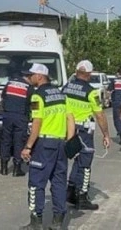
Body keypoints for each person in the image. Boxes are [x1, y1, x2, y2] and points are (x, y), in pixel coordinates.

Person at [20, 63, 74, 230]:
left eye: (31, 75)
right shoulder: (62, 94)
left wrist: (28, 146)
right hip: (60, 143)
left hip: (44, 145)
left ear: (40, 76)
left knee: (36, 183)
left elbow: (37, 122)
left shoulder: (38, 96)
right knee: (59, 182)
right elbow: (70, 119)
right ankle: (58, 221)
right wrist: (69, 141)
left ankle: (35, 222)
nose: (29, 78)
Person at [62, 60, 111, 211]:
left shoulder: (66, 87)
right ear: (89, 74)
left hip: (67, 128)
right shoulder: (91, 92)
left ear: (76, 72)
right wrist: (106, 134)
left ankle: (70, 191)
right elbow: (100, 115)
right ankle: (82, 196)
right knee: (85, 163)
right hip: (83, 131)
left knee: (77, 160)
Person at [0, 70, 34, 177]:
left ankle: (4, 168)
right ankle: (17, 168)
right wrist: (34, 117)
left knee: (6, 140)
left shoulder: (10, 83)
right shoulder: (29, 87)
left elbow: (3, 97)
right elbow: (34, 103)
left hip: (7, 115)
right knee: (19, 142)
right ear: (29, 77)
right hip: (21, 117)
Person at [107, 69, 121, 145]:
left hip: (116, 102)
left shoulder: (114, 81)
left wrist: (108, 99)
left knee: (117, 119)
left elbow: (109, 91)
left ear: (117, 74)